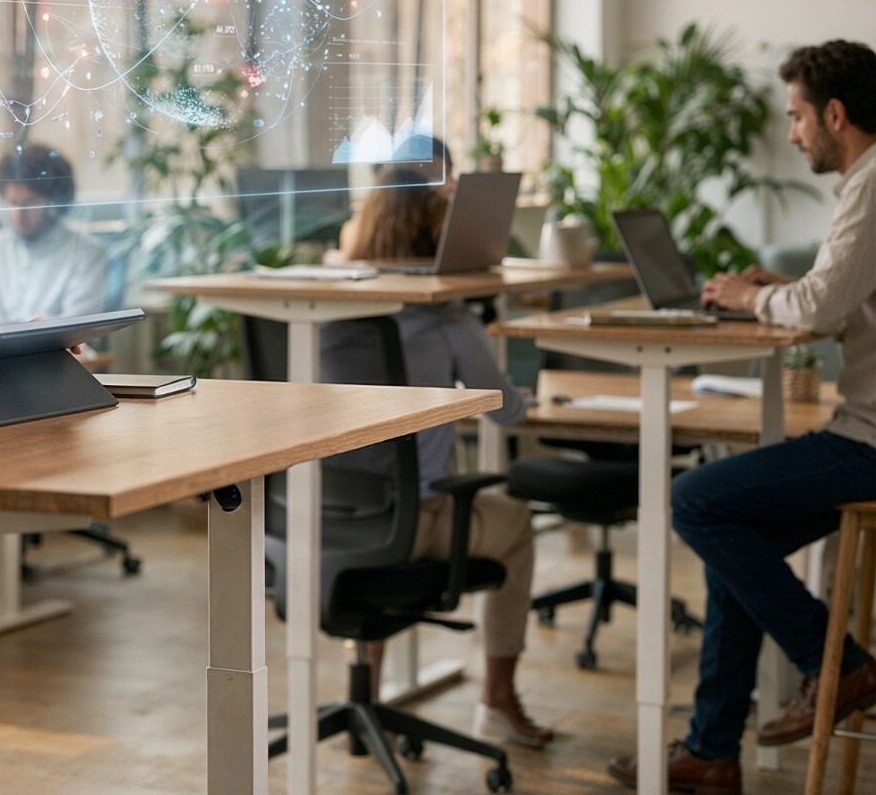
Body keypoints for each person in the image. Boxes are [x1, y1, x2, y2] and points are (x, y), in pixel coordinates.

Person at [609, 40, 876, 793]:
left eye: (796, 117)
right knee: (735, 532)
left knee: (695, 498)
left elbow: (823, 308)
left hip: (870, 443)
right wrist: (782, 283)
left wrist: (747, 297)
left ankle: (841, 667)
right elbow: (839, 290)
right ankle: (712, 752)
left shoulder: (872, 181)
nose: (792, 135)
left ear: (834, 113)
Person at [335, 140, 554, 747]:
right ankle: (498, 700)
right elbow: (506, 414)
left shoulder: (322, 312)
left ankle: (368, 692)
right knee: (514, 522)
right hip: (412, 525)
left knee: (375, 491)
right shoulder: (445, 317)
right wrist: (537, 400)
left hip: (322, 519)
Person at [0, 142, 109, 325]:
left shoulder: (86, 252)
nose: (19, 214)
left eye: (30, 202)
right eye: (13, 202)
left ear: (55, 202)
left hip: (61, 352)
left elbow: (76, 327)